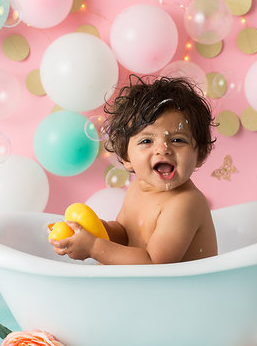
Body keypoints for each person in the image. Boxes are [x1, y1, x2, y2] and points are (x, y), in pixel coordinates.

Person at [51, 75, 218, 264]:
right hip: (147, 289)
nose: (163, 148)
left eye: (177, 140)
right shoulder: (137, 189)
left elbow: (153, 263)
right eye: (146, 141)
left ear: (201, 154)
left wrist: (94, 247)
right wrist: (97, 231)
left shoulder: (185, 203)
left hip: (186, 292)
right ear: (125, 157)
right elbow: (124, 234)